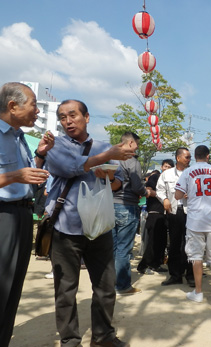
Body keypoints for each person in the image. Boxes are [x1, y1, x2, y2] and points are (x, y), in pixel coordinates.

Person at [45, 99, 134, 347]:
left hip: (99, 226)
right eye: (62, 117)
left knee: (105, 286)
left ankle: (103, 336)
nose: (67, 121)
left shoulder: (103, 146)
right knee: (66, 290)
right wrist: (106, 157)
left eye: (72, 115)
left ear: (86, 117)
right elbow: (71, 168)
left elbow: (116, 185)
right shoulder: (56, 146)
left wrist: (108, 176)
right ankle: (70, 340)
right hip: (66, 226)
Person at [0, 82, 53, 346]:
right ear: (12, 106)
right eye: (33, 105)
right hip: (3, 216)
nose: (37, 112)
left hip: (22, 215)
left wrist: (41, 155)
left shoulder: (20, 137)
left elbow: (29, 179)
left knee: (13, 287)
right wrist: (13, 176)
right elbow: (16, 177)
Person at [174, 145, 211, 302]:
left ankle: (198, 292)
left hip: (194, 220)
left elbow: (178, 195)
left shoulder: (187, 172)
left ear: (194, 156)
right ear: (208, 156)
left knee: (196, 256)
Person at [112, 131, 155, 295]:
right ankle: (122, 285)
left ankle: (110, 282)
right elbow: (137, 187)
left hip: (110, 205)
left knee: (113, 247)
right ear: (130, 143)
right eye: (137, 144)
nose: (137, 148)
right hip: (127, 206)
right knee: (124, 249)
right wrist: (148, 192)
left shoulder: (110, 159)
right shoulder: (131, 161)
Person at [156, 147, 194, 286]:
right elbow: (160, 190)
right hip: (174, 212)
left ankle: (191, 275)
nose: (189, 160)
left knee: (190, 243)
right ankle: (175, 275)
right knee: (175, 244)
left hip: (190, 212)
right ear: (178, 158)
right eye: (187, 157)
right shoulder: (167, 175)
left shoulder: (193, 173)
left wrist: (191, 194)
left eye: (190, 157)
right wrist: (164, 199)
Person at [137, 160, 174, 274]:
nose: (166, 168)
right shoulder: (155, 177)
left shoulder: (172, 180)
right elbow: (148, 191)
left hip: (166, 214)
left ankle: (156, 264)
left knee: (162, 242)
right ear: (162, 167)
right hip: (154, 212)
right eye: (165, 166)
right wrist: (163, 196)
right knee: (152, 241)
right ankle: (143, 265)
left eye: (169, 167)